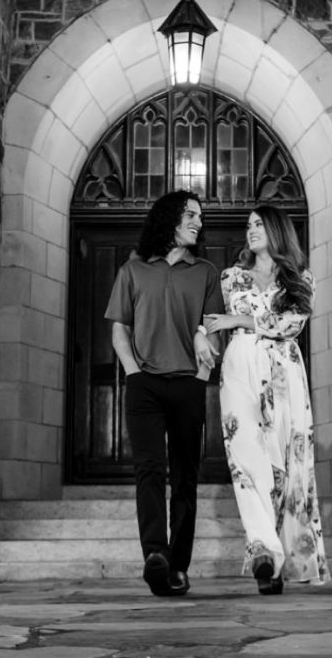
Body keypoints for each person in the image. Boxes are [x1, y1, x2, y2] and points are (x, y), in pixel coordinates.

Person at [204, 204, 330, 595]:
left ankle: (279, 561)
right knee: (246, 459)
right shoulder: (231, 277)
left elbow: (293, 323)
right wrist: (205, 337)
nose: (251, 230)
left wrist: (240, 320)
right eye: (249, 225)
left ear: (276, 230)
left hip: (283, 373)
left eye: (259, 224)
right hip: (239, 367)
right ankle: (263, 551)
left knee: (284, 463)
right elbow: (210, 320)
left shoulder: (300, 277)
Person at [105, 189, 223, 597]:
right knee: (150, 471)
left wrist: (202, 377)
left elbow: (213, 330)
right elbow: (119, 328)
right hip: (145, 386)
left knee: (185, 477)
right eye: (190, 215)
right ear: (169, 218)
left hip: (189, 384)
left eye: (200, 217)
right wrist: (133, 372)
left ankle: (179, 565)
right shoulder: (134, 269)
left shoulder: (205, 272)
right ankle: (155, 555)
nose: (198, 223)